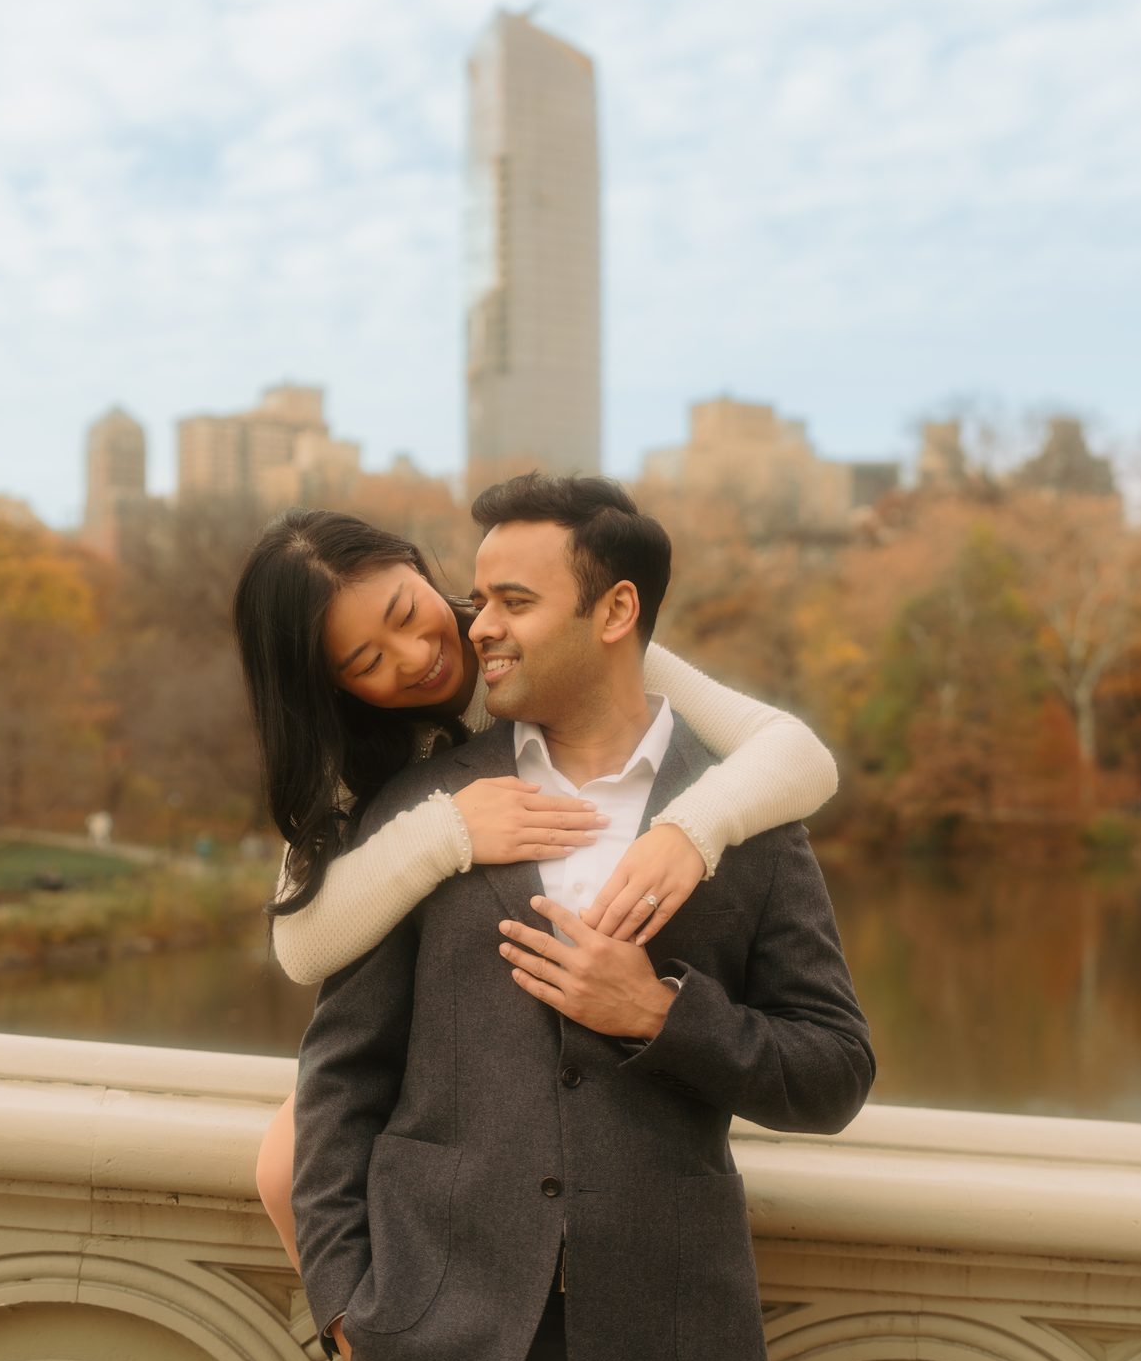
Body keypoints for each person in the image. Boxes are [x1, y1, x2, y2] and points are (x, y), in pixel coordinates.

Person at [290, 475, 873, 1361]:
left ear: (614, 611)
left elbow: (834, 1069)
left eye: (514, 600)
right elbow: (340, 1081)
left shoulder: (742, 816)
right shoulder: (419, 810)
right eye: (478, 597)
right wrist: (349, 1300)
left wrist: (661, 1016)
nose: (477, 627)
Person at [233, 502, 842, 1310]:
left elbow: (799, 756)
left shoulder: (545, 640)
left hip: (631, 1215)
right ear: (330, 683)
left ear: (416, 567)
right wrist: (447, 832)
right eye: (365, 660)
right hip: (432, 1052)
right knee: (286, 1165)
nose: (415, 657)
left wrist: (688, 831)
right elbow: (301, 946)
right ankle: (363, 1349)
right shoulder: (357, 758)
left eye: (408, 613)